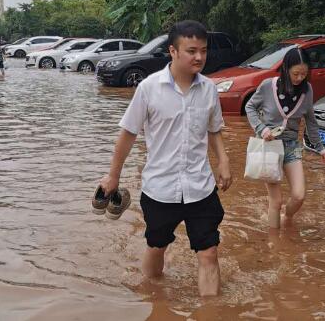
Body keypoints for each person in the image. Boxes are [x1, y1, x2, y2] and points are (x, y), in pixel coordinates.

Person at [99, 20, 232, 297]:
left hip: (201, 187)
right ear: (173, 51)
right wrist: (113, 175)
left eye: (203, 51)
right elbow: (128, 134)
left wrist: (223, 161)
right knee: (157, 245)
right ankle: (153, 300)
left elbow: (214, 129)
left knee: (208, 252)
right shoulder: (149, 88)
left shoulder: (209, 89)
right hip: (160, 188)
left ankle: (211, 311)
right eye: (191, 50)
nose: (199, 57)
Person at [245, 48, 325, 229]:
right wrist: (261, 129)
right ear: (285, 69)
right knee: (276, 201)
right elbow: (250, 107)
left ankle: (287, 218)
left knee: (299, 195)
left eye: (304, 74)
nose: (300, 78)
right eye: (296, 73)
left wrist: (320, 147)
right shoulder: (268, 85)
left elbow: (311, 121)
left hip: (291, 146)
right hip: (269, 146)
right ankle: (274, 246)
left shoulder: (307, 91)